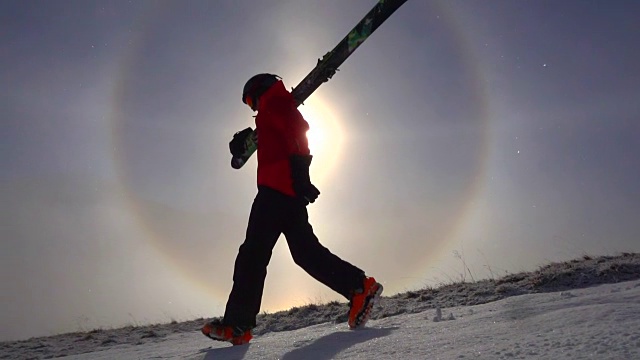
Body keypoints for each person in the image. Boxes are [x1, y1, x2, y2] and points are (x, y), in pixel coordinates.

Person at [201, 73, 383, 345]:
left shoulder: (275, 102)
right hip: (287, 195)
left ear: (260, 89)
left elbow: (298, 128)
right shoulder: (271, 110)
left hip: (275, 193)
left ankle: (238, 325)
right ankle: (359, 287)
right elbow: (278, 139)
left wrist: (301, 172)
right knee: (305, 254)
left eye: (251, 100)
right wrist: (245, 142)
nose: (252, 107)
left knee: (252, 254)